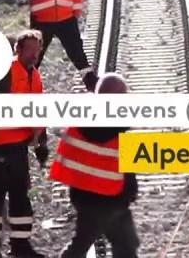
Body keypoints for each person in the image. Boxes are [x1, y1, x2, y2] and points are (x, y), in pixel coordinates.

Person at [51, 72, 140, 258]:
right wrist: (130, 193)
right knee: (124, 246)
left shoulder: (77, 124)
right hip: (111, 200)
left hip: (83, 197)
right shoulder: (119, 130)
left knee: (83, 242)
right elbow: (127, 172)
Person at [0, 30, 49, 258]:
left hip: (17, 146)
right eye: (29, 49)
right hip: (0, 145)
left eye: (37, 49)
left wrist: (41, 141)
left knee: (20, 195)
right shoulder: (5, 71)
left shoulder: (35, 75)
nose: (34, 54)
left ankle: (21, 247)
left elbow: (38, 110)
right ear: (18, 50)